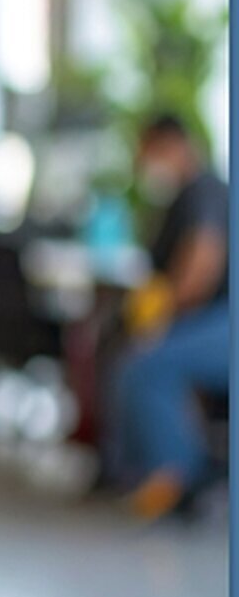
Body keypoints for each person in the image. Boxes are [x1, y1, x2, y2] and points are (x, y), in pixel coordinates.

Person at [111, 113, 229, 519]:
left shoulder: (204, 191)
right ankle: (136, 470)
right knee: (126, 353)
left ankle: (180, 479)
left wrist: (166, 319)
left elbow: (201, 263)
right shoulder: (183, 197)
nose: (145, 163)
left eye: (148, 151)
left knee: (147, 364)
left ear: (172, 145)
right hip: (213, 321)